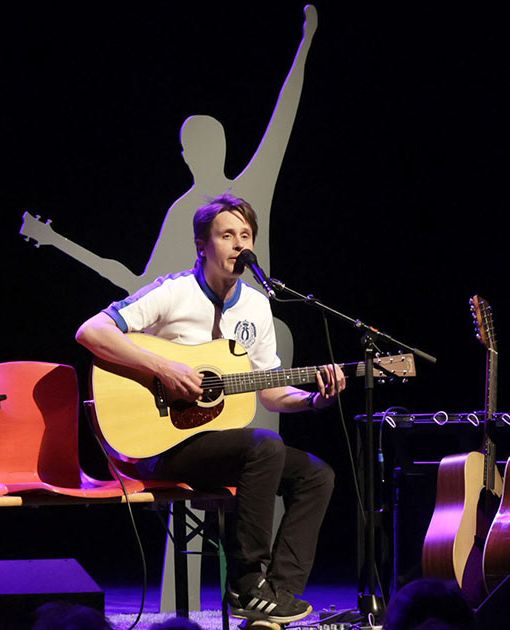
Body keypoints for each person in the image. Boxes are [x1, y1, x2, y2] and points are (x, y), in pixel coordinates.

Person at [75, 193, 344, 626]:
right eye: (227, 235)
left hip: (217, 448)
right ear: (202, 245)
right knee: (265, 446)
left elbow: (272, 392)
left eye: (246, 235)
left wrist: (315, 400)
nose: (239, 244)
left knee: (317, 475)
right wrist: (163, 367)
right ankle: (245, 583)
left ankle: (276, 594)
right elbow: (91, 331)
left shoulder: (256, 305)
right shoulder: (173, 291)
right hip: (159, 446)